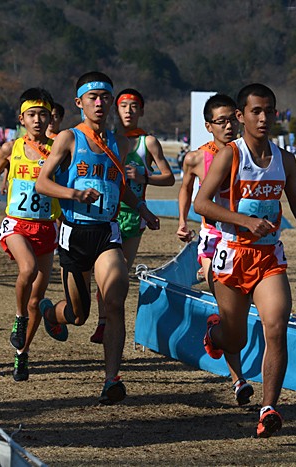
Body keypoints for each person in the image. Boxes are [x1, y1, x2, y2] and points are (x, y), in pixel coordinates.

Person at [194, 83, 296, 437]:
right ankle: (216, 334)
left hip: (268, 257)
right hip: (232, 255)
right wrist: (244, 221)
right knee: (234, 340)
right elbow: (201, 204)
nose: (264, 118)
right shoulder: (230, 155)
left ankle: (268, 409)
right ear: (241, 116)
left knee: (276, 327)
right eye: (256, 112)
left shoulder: (285, 159)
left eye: (269, 111)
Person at [35, 71, 160, 404]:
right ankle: (52, 314)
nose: (101, 103)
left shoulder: (117, 143)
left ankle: (111, 379)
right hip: (75, 235)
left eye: (106, 96)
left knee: (116, 300)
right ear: (79, 103)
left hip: (107, 233)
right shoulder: (68, 139)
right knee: (79, 314)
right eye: (93, 97)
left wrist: (143, 209)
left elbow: (119, 186)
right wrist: (74, 194)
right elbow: (42, 183)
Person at [0, 88, 60, 381]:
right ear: (21, 118)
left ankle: (22, 355)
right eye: (31, 115)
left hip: (46, 227)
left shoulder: (59, 148)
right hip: (17, 224)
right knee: (28, 269)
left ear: (50, 117)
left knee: (37, 300)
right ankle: (19, 319)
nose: (37, 120)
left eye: (42, 114)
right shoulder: (11, 148)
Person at [176, 93, 255, 406]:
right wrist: (182, 221)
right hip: (213, 240)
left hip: (245, 242)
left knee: (237, 316)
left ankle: (214, 334)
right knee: (228, 310)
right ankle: (239, 381)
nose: (228, 126)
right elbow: (185, 190)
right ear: (208, 126)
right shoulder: (197, 158)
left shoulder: (247, 154)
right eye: (220, 121)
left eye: (231, 119)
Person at [89, 88, 175, 343]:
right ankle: (103, 322)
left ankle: (109, 320)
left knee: (120, 272)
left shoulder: (148, 142)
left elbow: (169, 177)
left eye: (133, 106)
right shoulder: (108, 140)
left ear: (141, 111)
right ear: (116, 109)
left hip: (134, 215)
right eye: (123, 106)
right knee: (105, 271)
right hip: (108, 212)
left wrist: (143, 177)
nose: (128, 111)